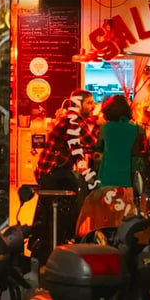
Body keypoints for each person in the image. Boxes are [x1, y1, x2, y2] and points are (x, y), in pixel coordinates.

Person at [29, 89, 100, 264]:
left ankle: (55, 242)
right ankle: (62, 242)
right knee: (76, 198)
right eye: (89, 103)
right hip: (53, 172)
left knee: (70, 197)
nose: (93, 106)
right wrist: (102, 124)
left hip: (51, 171)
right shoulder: (73, 120)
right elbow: (93, 143)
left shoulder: (73, 119)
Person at [95, 94, 146, 188]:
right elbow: (139, 151)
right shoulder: (138, 129)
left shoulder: (105, 128)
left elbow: (98, 146)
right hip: (128, 175)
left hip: (108, 175)